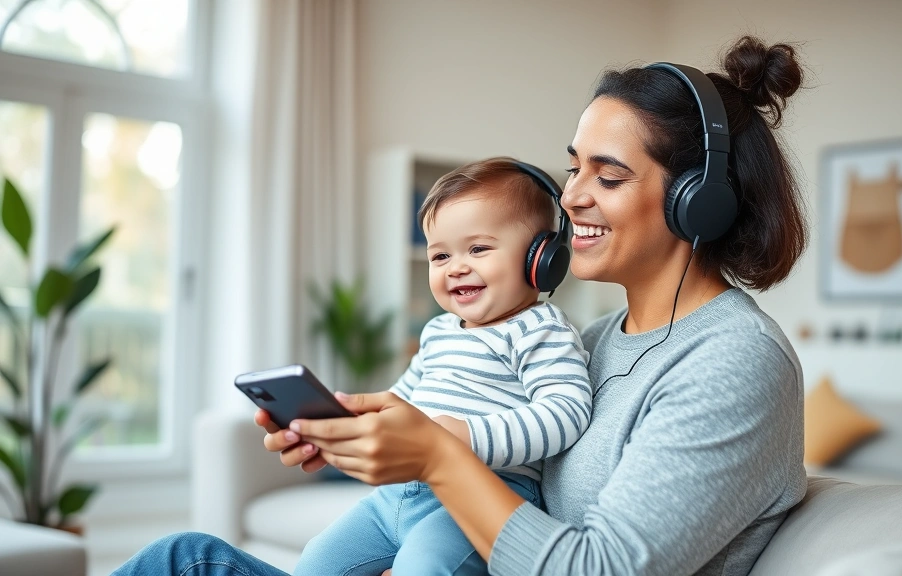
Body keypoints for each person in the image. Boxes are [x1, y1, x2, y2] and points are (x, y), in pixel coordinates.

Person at [113, 34, 808, 576]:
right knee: (183, 556)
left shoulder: (734, 361)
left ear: (699, 200)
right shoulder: (596, 339)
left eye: (610, 175)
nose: (570, 198)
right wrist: (351, 434)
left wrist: (439, 456)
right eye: (573, 166)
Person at [292, 157, 592, 575]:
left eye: (479, 248)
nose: (456, 267)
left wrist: (465, 437)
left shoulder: (540, 328)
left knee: (424, 567)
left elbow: (566, 412)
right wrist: (341, 426)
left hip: (482, 496)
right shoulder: (438, 330)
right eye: (439, 256)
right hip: (396, 497)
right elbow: (400, 399)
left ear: (540, 258)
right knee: (316, 563)